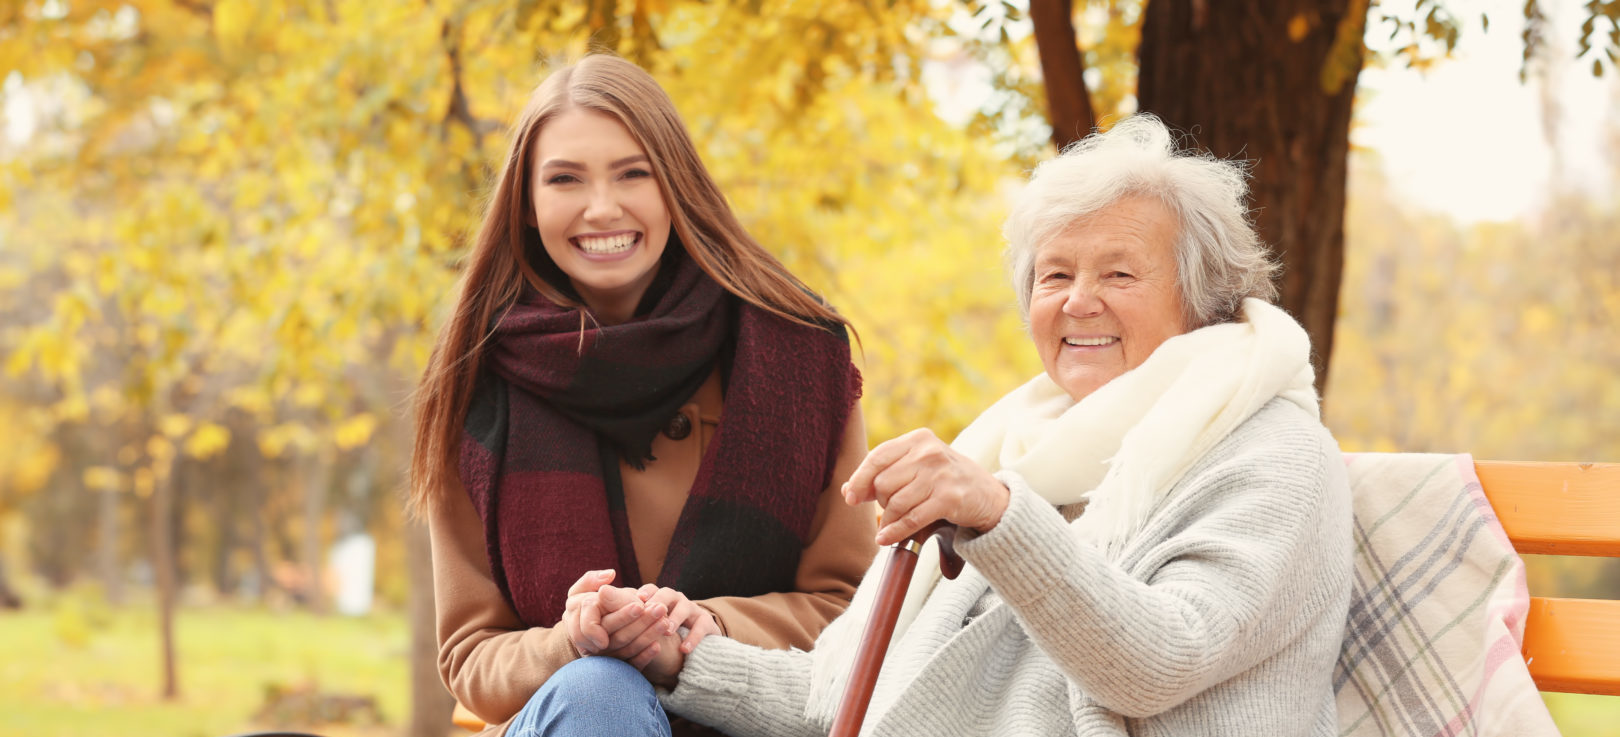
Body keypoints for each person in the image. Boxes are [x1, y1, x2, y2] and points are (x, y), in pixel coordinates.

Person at [650, 114, 1356, 737]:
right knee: (597, 691)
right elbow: (855, 698)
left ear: (1202, 300)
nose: (1080, 302)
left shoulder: (1274, 453)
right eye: (1053, 276)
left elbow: (1160, 661)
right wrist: (680, 653)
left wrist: (997, 514)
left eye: (1118, 275)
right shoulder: (1029, 449)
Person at [408, 54, 877, 737]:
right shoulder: (477, 378)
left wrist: (705, 629)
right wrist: (569, 641)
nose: (603, 207)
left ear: (676, 187)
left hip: (752, 712)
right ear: (529, 208)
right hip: (568, 719)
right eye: (565, 179)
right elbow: (470, 654)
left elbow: (853, 606)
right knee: (600, 691)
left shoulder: (801, 355)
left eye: (634, 173)